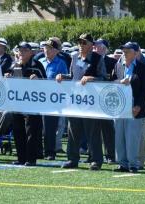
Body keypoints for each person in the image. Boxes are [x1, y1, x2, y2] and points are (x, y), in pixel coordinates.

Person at [57, 33, 106, 170]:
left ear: (92, 45)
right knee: (73, 131)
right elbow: (73, 77)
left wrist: (91, 78)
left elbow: (103, 78)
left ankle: (96, 160)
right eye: (79, 42)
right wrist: (62, 77)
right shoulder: (74, 57)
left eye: (84, 43)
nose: (81, 45)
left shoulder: (97, 58)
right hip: (75, 100)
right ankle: (72, 159)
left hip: (91, 101)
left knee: (92, 132)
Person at [6, 42, 46, 166]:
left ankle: (31, 158)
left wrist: (38, 80)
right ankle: (21, 157)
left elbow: (47, 84)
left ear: (31, 52)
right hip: (17, 104)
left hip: (32, 104)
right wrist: (7, 77)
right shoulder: (14, 65)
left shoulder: (37, 65)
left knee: (31, 132)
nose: (21, 53)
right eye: (20, 51)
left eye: (24, 51)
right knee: (18, 131)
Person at [113, 42, 145, 173]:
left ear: (136, 53)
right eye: (123, 50)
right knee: (119, 136)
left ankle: (133, 164)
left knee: (132, 137)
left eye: (127, 51)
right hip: (119, 107)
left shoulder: (143, 68)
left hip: (135, 107)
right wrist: (119, 82)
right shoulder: (118, 66)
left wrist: (139, 105)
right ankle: (122, 163)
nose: (124, 53)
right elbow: (111, 83)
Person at [39, 39, 68, 160]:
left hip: (52, 100)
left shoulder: (61, 63)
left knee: (49, 128)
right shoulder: (39, 61)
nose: (46, 50)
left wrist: (62, 77)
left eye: (50, 48)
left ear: (56, 51)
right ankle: (38, 151)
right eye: (46, 47)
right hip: (37, 99)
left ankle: (50, 152)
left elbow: (67, 79)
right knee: (36, 127)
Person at [93, 38, 117, 163]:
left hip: (107, 99)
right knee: (92, 129)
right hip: (92, 99)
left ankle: (110, 155)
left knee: (107, 129)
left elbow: (114, 79)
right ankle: (93, 155)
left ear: (104, 48)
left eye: (98, 46)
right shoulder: (90, 59)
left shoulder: (112, 62)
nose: (96, 48)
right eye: (95, 46)